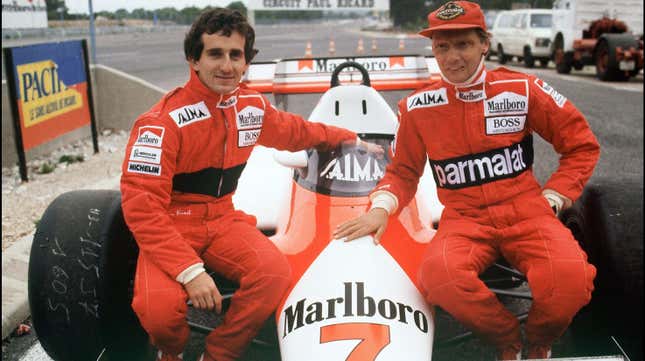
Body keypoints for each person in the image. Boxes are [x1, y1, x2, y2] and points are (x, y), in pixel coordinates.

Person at [334, 1, 600, 360]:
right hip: (464, 219)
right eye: (442, 47)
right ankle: (507, 341)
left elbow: (581, 146)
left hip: (527, 211)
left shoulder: (522, 89)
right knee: (438, 276)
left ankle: (538, 343)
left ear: (484, 44)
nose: (451, 57)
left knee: (570, 279)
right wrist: (381, 208)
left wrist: (555, 195)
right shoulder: (417, 107)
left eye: (462, 44)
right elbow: (402, 172)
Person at [120, 8, 383, 361]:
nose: (226, 66)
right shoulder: (160, 123)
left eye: (235, 55)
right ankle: (172, 352)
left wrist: (347, 137)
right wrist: (191, 272)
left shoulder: (250, 107)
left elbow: (298, 131)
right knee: (159, 314)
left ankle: (219, 353)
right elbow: (142, 208)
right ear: (193, 60)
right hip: (171, 223)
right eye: (215, 54)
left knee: (273, 274)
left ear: (246, 63)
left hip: (223, 218)